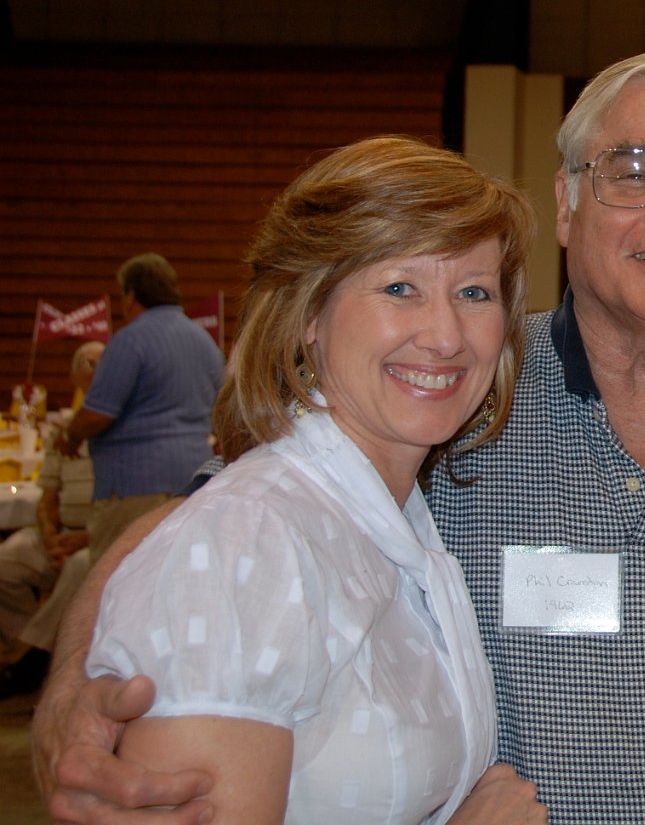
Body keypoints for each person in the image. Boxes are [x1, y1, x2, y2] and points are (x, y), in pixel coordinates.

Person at [35, 51, 645, 825]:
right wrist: (79, 687)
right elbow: (213, 522)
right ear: (567, 204)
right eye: (631, 170)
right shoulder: (449, 390)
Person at [84, 136, 546, 822]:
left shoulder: (399, 522)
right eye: (400, 288)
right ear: (307, 315)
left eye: (473, 292)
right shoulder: (250, 543)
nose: (447, 335)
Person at [56, 252, 224, 562]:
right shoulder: (204, 342)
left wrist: (70, 436)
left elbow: (97, 413)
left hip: (133, 487)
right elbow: (220, 411)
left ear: (131, 296)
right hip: (193, 479)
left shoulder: (129, 341)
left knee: (113, 586)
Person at [0, 341, 102, 689]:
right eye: (87, 364)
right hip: (59, 535)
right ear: (74, 375)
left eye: (102, 365)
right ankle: (34, 652)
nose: (94, 372)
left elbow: (129, 507)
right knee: (7, 560)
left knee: (79, 566)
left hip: (98, 536)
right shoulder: (64, 430)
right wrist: (49, 535)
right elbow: (47, 495)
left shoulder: (122, 432)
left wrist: (85, 538)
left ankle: (31, 663)